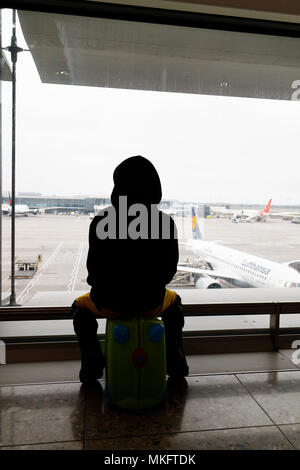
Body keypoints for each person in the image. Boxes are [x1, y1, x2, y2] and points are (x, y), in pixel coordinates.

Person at [72, 155, 189, 383]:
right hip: (150, 302)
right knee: (175, 305)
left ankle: (92, 364)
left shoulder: (101, 220)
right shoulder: (164, 222)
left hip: (108, 302)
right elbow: (169, 271)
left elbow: (91, 270)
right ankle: (175, 360)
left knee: (79, 309)